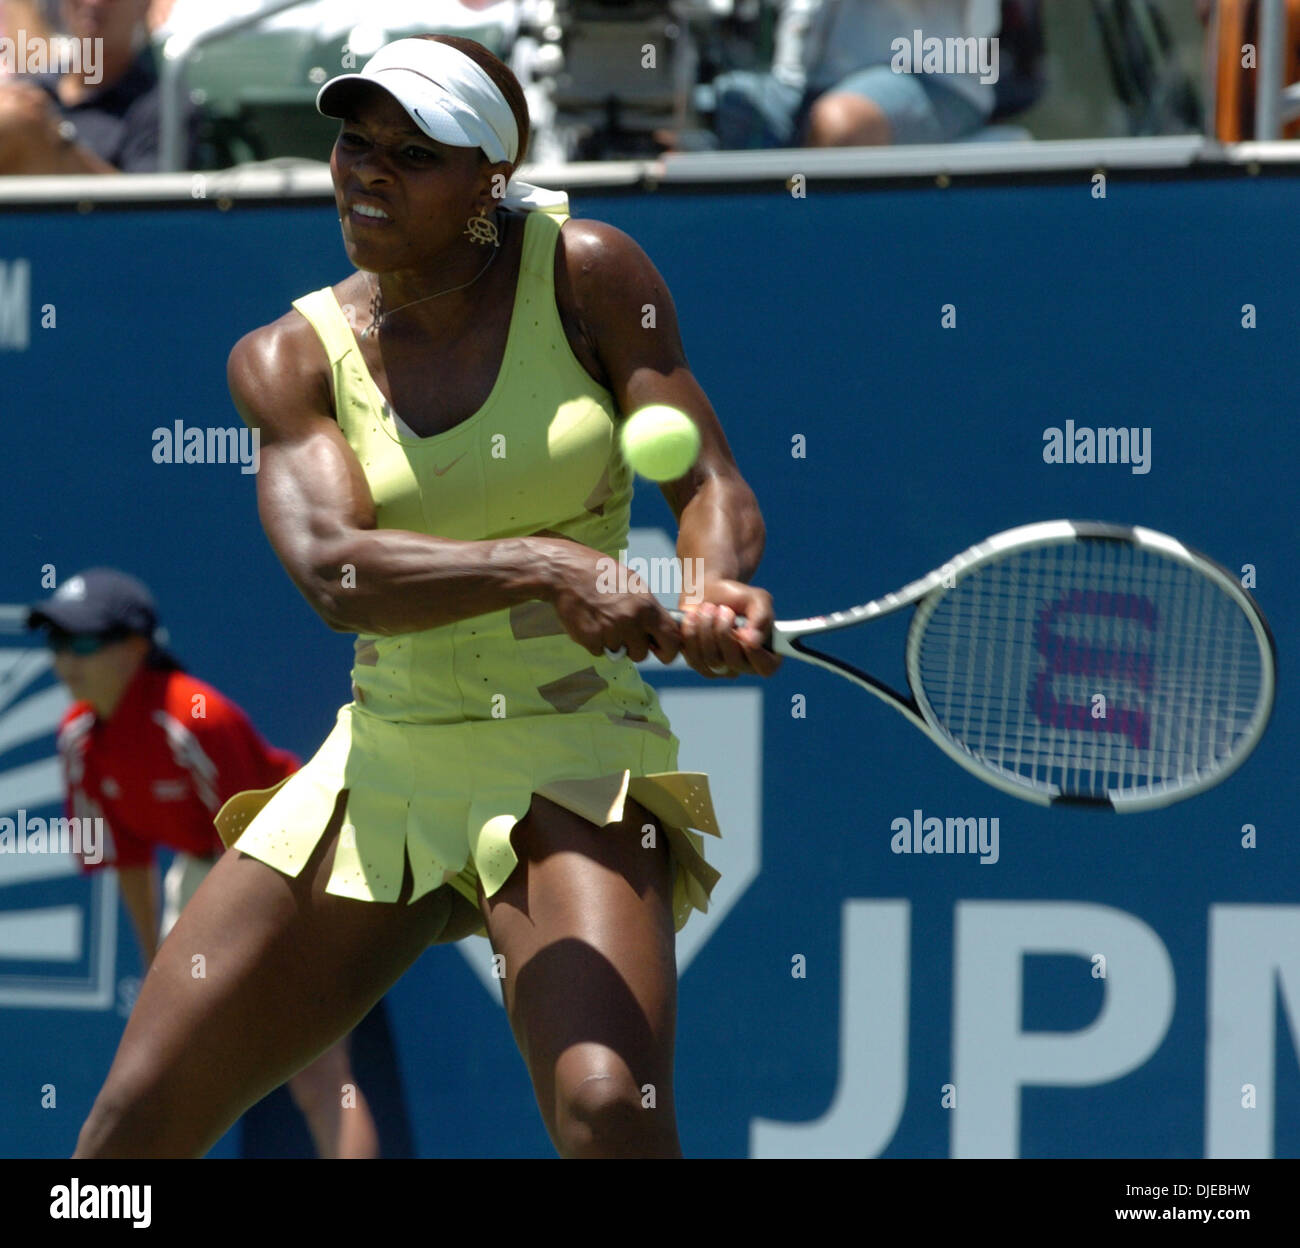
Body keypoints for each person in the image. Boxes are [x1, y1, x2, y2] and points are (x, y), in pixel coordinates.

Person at [73, 32, 781, 1161]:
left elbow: (709, 482)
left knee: (608, 1106)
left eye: (414, 151)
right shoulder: (287, 360)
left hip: (573, 750)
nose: (368, 171)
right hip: (386, 763)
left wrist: (714, 587)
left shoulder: (591, 271)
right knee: (128, 1132)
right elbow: (335, 574)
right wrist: (550, 566)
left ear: (490, 179)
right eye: (357, 142)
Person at [33, 568, 380, 1158]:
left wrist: (240, 962)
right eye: (58, 643)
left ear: (137, 649)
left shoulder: (194, 717)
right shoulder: (77, 740)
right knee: (163, 1064)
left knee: (319, 1075)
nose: (68, 659)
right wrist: (156, 968)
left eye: (85, 643)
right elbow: (128, 859)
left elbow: (258, 843)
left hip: (300, 859)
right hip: (207, 869)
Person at [683, 0, 1001, 150]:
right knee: (671, 123)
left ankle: (802, 265)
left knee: (841, 124)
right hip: (806, 83)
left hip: (938, 78)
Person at [0, 0, 200, 174]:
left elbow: (148, 208)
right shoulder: (33, 89)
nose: (92, 2)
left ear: (144, 4)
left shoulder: (163, 107)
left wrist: (53, 140)